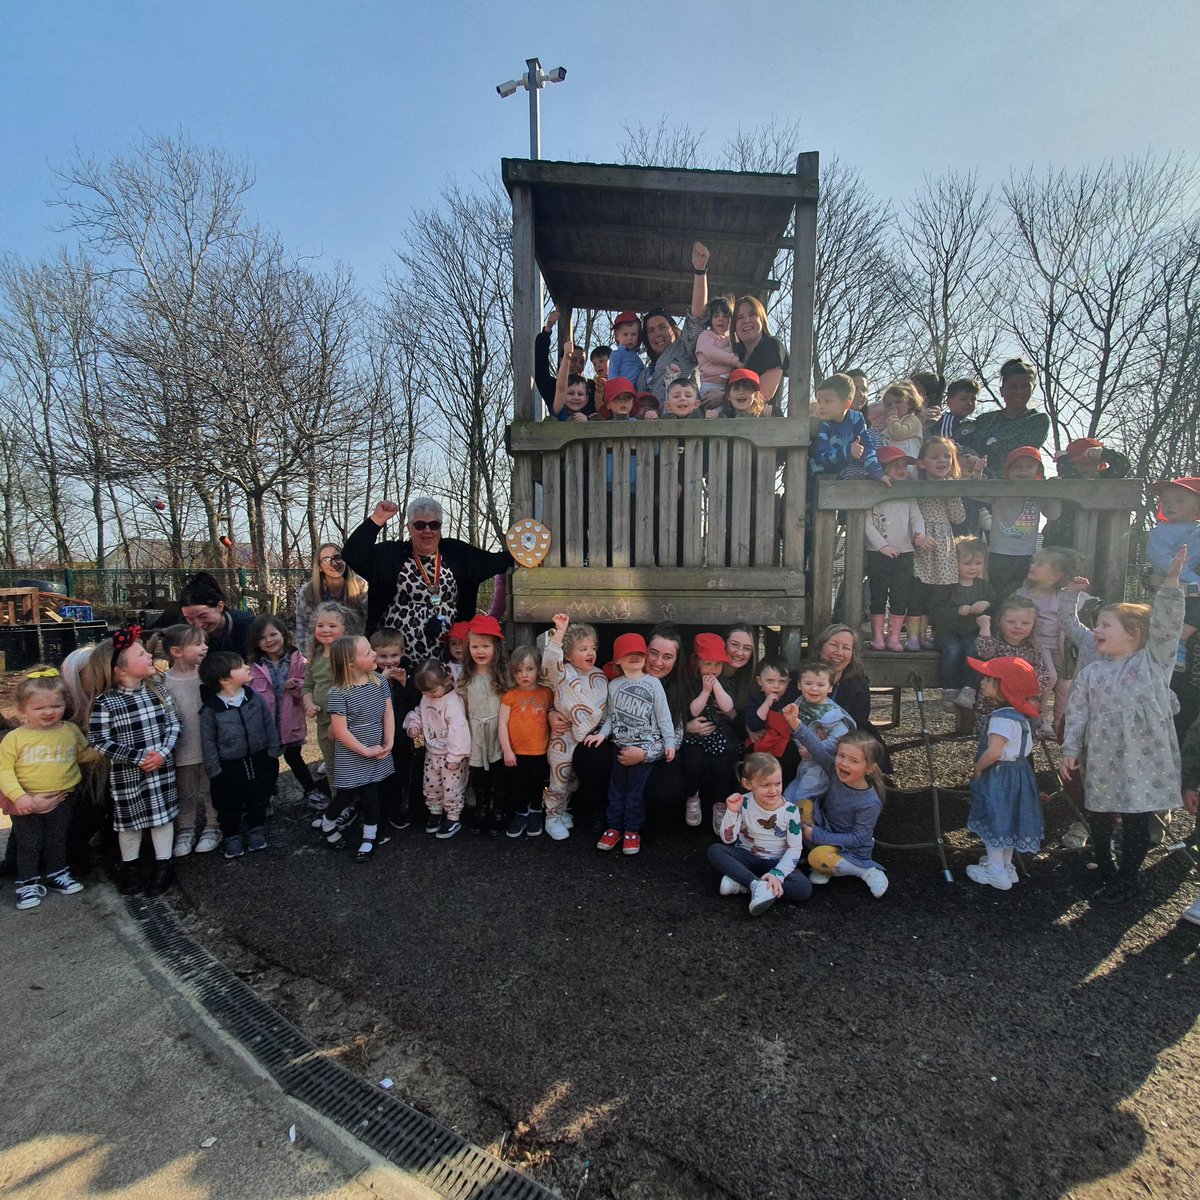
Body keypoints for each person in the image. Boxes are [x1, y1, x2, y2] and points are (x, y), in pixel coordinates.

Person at [1060, 546, 1187, 906]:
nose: (1096, 630)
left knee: (1135, 819)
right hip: (1103, 757)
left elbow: (1166, 626)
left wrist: (1171, 582)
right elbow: (1078, 713)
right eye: (1097, 624)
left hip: (1143, 760)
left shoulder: (1153, 663)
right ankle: (1106, 869)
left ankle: (1128, 878)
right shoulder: (1092, 673)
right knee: (1098, 815)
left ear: (1132, 633)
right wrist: (1071, 749)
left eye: (1105, 625)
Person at [343, 497, 514, 668]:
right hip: (394, 660)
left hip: (450, 661)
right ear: (409, 527)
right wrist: (377, 519)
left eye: (434, 525)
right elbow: (352, 554)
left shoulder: (458, 554)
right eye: (419, 525)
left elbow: (499, 561)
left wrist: (525, 548)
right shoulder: (391, 555)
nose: (427, 531)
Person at [82, 626, 181, 898]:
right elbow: (99, 741)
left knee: (162, 817)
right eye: (140, 654)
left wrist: (163, 753)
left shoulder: (158, 692)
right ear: (120, 670)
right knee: (129, 822)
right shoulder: (106, 703)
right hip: (127, 774)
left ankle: (164, 864)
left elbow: (174, 725)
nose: (149, 656)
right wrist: (137, 757)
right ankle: (130, 866)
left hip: (160, 769)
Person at [0, 667, 100, 910]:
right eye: (39, 708)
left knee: (58, 839)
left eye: (56, 705)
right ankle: (27, 883)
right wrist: (19, 797)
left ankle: (57, 873)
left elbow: (82, 754)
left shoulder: (69, 731)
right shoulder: (15, 738)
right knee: (29, 844)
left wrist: (105, 751)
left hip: (63, 798)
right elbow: (4, 771)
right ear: (22, 709)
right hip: (27, 803)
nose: (49, 712)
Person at [585, 633, 675, 856]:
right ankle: (614, 827)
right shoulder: (614, 685)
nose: (635, 657)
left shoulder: (653, 684)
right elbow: (610, 717)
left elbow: (664, 716)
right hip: (619, 746)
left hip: (645, 746)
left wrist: (669, 742)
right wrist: (602, 735)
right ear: (618, 659)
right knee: (616, 790)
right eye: (628, 654)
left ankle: (632, 831)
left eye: (639, 653)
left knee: (635, 792)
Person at [963, 657, 1044, 891]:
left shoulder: (1000, 719)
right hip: (1021, 773)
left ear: (1004, 687)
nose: (982, 682)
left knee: (995, 817)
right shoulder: (1021, 715)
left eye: (988, 679)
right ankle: (1006, 866)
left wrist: (979, 767)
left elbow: (995, 752)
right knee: (1009, 819)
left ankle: (995, 871)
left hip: (1001, 775)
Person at [786, 720, 889, 898]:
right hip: (827, 829)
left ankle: (866, 872)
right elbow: (816, 749)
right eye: (841, 756)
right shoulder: (835, 772)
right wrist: (795, 723)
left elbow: (857, 838)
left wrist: (816, 835)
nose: (844, 763)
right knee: (803, 805)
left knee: (817, 858)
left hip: (851, 848)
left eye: (854, 761)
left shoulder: (869, 802)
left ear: (869, 769)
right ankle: (825, 865)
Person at [707, 752, 813, 915]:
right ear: (748, 784)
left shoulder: (790, 811)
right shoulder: (743, 802)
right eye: (765, 785)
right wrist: (732, 812)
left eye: (778, 783)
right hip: (746, 856)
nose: (773, 790)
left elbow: (795, 848)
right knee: (715, 850)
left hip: (775, 862)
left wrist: (778, 874)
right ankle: (756, 884)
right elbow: (728, 839)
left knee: (803, 888)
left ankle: (745, 883)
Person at [199, 651, 281, 859]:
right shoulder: (211, 709)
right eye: (240, 666)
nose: (247, 667)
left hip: (259, 758)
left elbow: (268, 723)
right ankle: (231, 835)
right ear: (225, 680)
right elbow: (208, 740)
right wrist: (214, 769)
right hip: (229, 765)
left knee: (258, 796)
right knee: (228, 802)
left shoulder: (255, 697)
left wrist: (273, 750)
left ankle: (256, 829)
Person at [320, 635, 394, 860]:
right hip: (353, 754)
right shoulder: (338, 693)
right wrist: (365, 751)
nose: (374, 654)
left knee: (372, 794)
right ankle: (327, 823)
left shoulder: (379, 682)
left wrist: (389, 740)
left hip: (377, 749)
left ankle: (369, 836)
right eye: (368, 652)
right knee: (346, 795)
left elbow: (388, 713)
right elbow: (340, 731)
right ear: (351, 665)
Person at [151, 624, 221, 855]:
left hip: (209, 748)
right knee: (186, 792)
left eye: (204, 642)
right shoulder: (162, 683)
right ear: (176, 651)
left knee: (211, 790)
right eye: (198, 644)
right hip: (181, 751)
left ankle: (213, 827)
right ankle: (186, 829)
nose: (205, 647)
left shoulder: (208, 676)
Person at [542, 614, 607, 841]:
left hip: (589, 735)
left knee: (574, 779)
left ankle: (564, 810)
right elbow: (550, 662)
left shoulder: (599, 676)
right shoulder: (563, 672)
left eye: (593, 648)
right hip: (564, 735)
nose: (590, 653)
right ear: (568, 655)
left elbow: (603, 708)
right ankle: (552, 816)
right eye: (583, 649)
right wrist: (560, 632)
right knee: (559, 776)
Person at [247, 615, 319, 811]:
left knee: (294, 759)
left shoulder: (299, 660)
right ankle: (267, 796)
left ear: (283, 635)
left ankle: (311, 790)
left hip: (290, 723)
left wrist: (296, 686)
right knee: (268, 764)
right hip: (265, 726)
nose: (269, 640)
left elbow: (309, 687)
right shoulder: (253, 666)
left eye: (273, 634)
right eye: (262, 638)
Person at [909, 438, 968, 652]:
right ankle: (912, 637)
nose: (942, 461)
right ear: (922, 463)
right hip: (921, 539)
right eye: (935, 457)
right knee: (917, 594)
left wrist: (952, 494)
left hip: (942, 545)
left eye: (947, 456)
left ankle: (926, 635)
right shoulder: (917, 486)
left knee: (936, 596)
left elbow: (958, 517)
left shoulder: (951, 486)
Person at [637, 241, 711, 408]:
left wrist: (700, 271)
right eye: (651, 331)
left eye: (662, 327)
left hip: (687, 422)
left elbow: (697, 317)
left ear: (675, 329)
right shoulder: (643, 376)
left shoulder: (685, 350)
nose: (657, 334)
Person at [981, 446, 1062, 600]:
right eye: (1017, 467)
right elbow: (977, 494)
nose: (1023, 471)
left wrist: (1053, 492)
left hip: (1026, 554)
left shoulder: (1039, 491)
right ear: (1008, 471)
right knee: (997, 591)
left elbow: (1053, 514)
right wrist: (977, 474)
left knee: (1022, 592)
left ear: (1038, 471)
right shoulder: (999, 490)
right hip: (999, 552)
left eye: (1029, 466)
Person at [403, 659, 471, 839]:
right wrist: (414, 725)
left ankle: (453, 816)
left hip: (450, 755)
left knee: (452, 787)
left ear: (447, 680)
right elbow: (420, 712)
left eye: (432, 691)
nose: (428, 695)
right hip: (432, 752)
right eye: (424, 692)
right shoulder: (427, 697)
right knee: (431, 783)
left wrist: (455, 757)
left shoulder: (452, 702)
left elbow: (459, 729)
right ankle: (435, 811)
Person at [811, 623, 892, 773]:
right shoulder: (801, 678)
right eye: (833, 645)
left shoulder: (858, 686)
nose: (839, 652)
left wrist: (831, 740)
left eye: (846, 648)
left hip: (845, 742)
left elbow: (858, 725)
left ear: (852, 655)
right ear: (820, 647)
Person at [866, 446, 926, 651]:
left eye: (903, 466)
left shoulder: (908, 494)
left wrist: (919, 533)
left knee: (900, 595)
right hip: (877, 553)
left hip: (905, 552)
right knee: (878, 594)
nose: (901, 470)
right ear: (881, 468)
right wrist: (882, 546)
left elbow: (916, 517)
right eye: (895, 466)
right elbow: (867, 524)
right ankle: (877, 637)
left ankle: (893, 638)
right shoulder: (872, 494)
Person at [1013, 546, 1078, 726]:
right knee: (1049, 676)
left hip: (1061, 647)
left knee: (1065, 683)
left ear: (1055, 575)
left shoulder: (1063, 596)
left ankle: (1059, 722)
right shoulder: (1023, 594)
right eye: (1034, 562)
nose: (1032, 565)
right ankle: (1038, 716)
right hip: (1037, 644)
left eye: (1039, 564)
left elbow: (1082, 605)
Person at [680, 633, 739, 829]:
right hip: (696, 735)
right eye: (708, 664)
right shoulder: (692, 683)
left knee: (723, 766)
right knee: (692, 762)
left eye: (718, 664)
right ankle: (692, 797)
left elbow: (728, 706)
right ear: (697, 662)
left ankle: (720, 804)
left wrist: (717, 687)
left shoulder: (725, 682)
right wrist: (705, 692)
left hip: (718, 733)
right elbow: (693, 711)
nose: (713, 669)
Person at [971, 598, 1055, 734]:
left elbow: (1044, 675)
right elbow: (984, 652)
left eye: (1025, 623)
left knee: (1023, 733)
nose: (1018, 627)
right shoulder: (996, 644)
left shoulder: (1033, 648)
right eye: (1011, 622)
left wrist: (1029, 692)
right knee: (992, 734)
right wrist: (985, 626)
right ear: (999, 622)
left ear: (1033, 625)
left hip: (1022, 701)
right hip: (994, 701)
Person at [302, 602, 361, 797]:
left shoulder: (349, 657)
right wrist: (309, 703)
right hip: (323, 724)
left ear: (345, 629)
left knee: (352, 764)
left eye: (332, 626)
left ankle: (356, 802)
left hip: (348, 723)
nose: (325, 630)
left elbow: (354, 689)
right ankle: (339, 804)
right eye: (320, 625)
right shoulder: (315, 657)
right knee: (332, 765)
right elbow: (308, 686)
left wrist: (339, 724)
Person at [781, 660, 856, 812]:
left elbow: (839, 738)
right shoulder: (800, 702)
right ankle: (786, 822)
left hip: (820, 765)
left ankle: (804, 825)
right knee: (788, 796)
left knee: (802, 799)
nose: (814, 688)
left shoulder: (832, 713)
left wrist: (815, 750)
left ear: (830, 688)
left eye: (820, 685)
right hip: (804, 764)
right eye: (808, 683)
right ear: (799, 685)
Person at [460, 614, 510, 835]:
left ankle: (498, 810)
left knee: (499, 772)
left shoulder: (503, 675)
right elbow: (462, 705)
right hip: (475, 731)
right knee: (479, 772)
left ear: (496, 648)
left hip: (498, 730)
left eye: (485, 646)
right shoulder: (466, 676)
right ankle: (481, 808)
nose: (480, 651)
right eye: (475, 646)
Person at [1145, 477, 1200, 670]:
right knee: (1175, 614)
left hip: (1190, 585)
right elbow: (1160, 561)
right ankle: (1177, 647)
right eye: (1165, 501)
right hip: (1175, 584)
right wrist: (1192, 581)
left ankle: (1180, 642)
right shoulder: (1160, 532)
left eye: (1179, 500)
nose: (1171, 505)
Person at [932, 537, 993, 710]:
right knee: (953, 651)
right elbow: (935, 612)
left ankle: (969, 689)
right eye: (967, 563)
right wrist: (956, 611)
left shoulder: (983, 586)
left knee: (973, 650)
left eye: (978, 563)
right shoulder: (947, 586)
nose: (973, 567)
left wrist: (987, 604)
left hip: (971, 631)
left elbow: (995, 607)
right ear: (955, 563)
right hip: (947, 632)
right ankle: (949, 690)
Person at [499, 645, 553, 839]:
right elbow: (502, 724)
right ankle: (521, 813)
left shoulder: (547, 693)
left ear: (538, 668)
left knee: (537, 784)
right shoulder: (510, 696)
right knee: (518, 785)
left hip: (540, 751)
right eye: (519, 670)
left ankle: (536, 812)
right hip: (516, 752)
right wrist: (507, 750)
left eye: (529, 669)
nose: (524, 675)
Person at [964, 358, 1050, 477]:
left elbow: (1015, 454)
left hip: (1015, 483)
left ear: (1033, 389)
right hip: (978, 480)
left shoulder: (1038, 420)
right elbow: (968, 447)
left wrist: (984, 451)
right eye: (1012, 387)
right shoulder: (985, 419)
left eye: (1025, 386)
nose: (1018, 392)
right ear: (1002, 390)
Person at [1041, 437, 1131, 548]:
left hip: (1095, 543)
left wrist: (1104, 453)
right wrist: (1063, 460)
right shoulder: (1068, 481)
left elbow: (1123, 465)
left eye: (1094, 464)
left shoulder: (1104, 480)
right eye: (1083, 464)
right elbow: (1068, 475)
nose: (1089, 468)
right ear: (1072, 466)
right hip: (1060, 542)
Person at [370, 628, 418, 833]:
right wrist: (383, 681)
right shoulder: (368, 675)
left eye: (394, 655)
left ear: (403, 653)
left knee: (401, 772)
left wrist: (406, 684)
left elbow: (417, 702)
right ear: (373, 655)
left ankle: (396, 808)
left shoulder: (409, 671)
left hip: (400, 735)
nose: (389, 661)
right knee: (379, 776)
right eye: (383, 656)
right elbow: (368, 703)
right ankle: (377, 812)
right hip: (377, 736)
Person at [809, 373, 885, 483]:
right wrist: (848, 450)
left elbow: (868, 447)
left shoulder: (857, 419)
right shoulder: (825, 424)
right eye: (819, 402)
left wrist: (878, 474)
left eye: (827, 401)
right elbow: (823, 456)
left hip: (844, 471)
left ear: (846, 404)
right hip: (820, 473)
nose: (821, 407)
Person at [294, 544, 368, 648]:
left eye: (338, 557)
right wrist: (310, 655)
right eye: (326, 560)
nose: (334, 563)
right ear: (319, 567)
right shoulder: (308, 591)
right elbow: (303, 630)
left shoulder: (361, 586)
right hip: (321, 649)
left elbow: (369, 624)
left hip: (355, 647)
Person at [742, 656, 801, 779]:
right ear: (759, 681)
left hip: (786, 750)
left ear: (789, 682)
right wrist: (766, 704)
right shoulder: (755, 700)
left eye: (782, 681)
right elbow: (754, 725)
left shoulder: (792, 700)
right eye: (770, 681)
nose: (776, 686)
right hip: (761, 747)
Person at [731, 294, 788, 414]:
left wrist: (724, 399)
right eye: (740, 317)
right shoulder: (734, 352)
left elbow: (764, 395)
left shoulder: (772, 346)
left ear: (761, 318)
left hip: (765, 419)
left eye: (752, 314)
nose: (746, 320)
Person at [179, 572, 256, 654]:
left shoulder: (248, 625)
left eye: (203, 616)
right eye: (190, 619)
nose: (198, 625)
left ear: (220, 607)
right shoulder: (184, 631)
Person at [535, 310, 594, 416]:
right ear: (561, 361)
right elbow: (540, 365)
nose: (578, 365)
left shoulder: (592, 387)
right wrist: (547, 331)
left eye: (582, 362)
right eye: (573, 360)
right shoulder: (551, 386)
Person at [696, 296, 741, 403]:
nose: (720, 319)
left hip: (727, 387)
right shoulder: (706, 336)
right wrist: (736, 362)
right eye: (716, 316)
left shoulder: (732, 339)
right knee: (710, 411)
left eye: (725, 316)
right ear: (710, 319)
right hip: (710, 385)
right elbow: (711, 353)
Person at [878, 381, 924, 460]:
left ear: (909, 404)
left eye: (898, 402)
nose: (893, 406)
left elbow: (898, 434)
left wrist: (892, 418)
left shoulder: (913, 420)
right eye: (889, 405)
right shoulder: (889, 425)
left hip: (909, 462)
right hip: (893, 463)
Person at [608, 311, 646, 396]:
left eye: (633, 334)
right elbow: (612, 373)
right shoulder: (617, 354)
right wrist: (615, 391)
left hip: (637, 391)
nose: (630, 338)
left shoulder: (636, 354)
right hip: (622, 391)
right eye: (625, 334)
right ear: (617, 336)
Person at [932, 379, 979, 447]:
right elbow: (945, 445)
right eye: (963, 399)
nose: (969, 403)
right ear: (949, 402)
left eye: (973, 399)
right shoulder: (948, 420)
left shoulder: (975, 422)